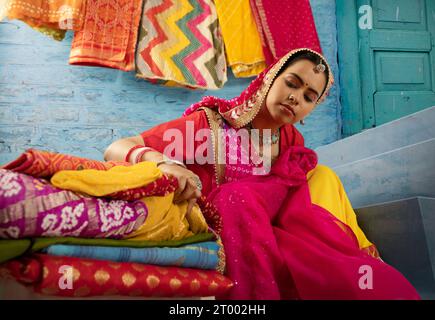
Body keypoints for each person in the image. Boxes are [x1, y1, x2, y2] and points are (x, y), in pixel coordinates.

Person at [104, 48, 420, 300]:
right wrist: (167, 165)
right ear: (269, 78)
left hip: (278, 233)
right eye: (292, 83)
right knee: (237, 196)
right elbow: (118, 147)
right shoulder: (210, 126)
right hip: (227, 228)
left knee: (325, 184)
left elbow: (292, 204)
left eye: (310, 97)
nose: (297, 97)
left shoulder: (290, 141)